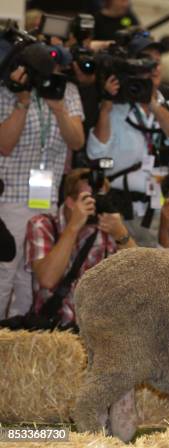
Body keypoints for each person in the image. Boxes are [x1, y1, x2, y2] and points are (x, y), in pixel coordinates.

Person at [0, 63, 85, 319]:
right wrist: (23, 101)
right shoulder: (8, 88)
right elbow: (4, 145)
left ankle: (25, 341)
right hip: (9, 199)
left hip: (47, 202)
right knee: (4, 275)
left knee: (33, 282)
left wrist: (58, 108)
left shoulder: (67, 90)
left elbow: (77, 141)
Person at [87, 35, 169, 247]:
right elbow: (96, 153)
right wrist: (106, 106)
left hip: (157, 214)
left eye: (157, 62)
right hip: (118, 212)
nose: (153, 67)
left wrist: (154, 105)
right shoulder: (116, 109)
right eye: (146, 61)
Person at [25, 168, 136, 327]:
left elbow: (140, 277)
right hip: (54, 328)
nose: (96, 205)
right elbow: (47, 280)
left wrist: (122, 235)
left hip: (98, 330)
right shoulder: (42, 224)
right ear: (70, 202)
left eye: (101, 198)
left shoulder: (107, 227)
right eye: (90, 199)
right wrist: (73, 228)